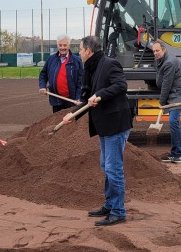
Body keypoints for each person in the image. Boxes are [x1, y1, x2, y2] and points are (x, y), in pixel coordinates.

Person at [63, 36, 132, 226]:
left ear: (89, 51)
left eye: (80, 49)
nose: (78, 52)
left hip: (116, 124)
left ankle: (118, 211)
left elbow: (121, 86)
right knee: (106, 166)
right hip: (103, 125)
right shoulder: (89, 68)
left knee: (113, 168)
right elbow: (86, 98)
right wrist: (72, 115)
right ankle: (110, 205)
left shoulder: (110, 64)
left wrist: (100, 95)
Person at [152, 40, 181, 163]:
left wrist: (162, 102)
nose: (155, 53)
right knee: (173, 123)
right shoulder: (161, 60)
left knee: (173, 122)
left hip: (176, 95)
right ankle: (174, 153)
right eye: (154, 51)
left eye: (157, 50)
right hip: (173, 94)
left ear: (164, 49)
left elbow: (167, 85)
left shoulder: (169, 63)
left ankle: (178, 154)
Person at [39, 34, 83, 112]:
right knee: (57, 121)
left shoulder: (76, 61)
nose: (62, 47)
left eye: (65, 45)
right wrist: (42, 86)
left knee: (71, 123)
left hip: (72, 101)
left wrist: (78, 97)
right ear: (57, 46)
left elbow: (81, 81)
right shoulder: (51, 59)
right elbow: (43, 74)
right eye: (60, 45)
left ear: (69, 46)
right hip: (56, 100)